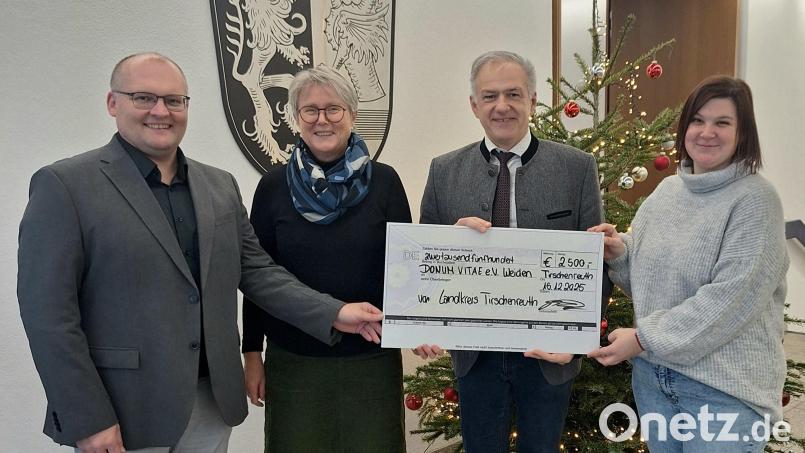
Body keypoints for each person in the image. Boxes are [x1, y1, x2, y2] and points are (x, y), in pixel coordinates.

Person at [17, 52, 384, 453]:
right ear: (112, 103)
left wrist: (335, 312)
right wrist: (88, 417)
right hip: (125, 413)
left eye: (174, 100)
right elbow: (48, 316)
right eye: (144, 98)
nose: (161, 111)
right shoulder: (65, 186)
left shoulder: (219, 186)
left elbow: (258, 272)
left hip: (211, 405)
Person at [415, 50, 607, 453]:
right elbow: (424, 262)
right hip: (475, 354)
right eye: (490, 96)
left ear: (532, 101)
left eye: (513, 94)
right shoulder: (444, 171)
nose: (501, 106)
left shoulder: (576, 168)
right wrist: (451, 243)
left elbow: (597, 264)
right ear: (474, 106)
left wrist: (576, 343)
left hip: (549, 353)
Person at [588, 76, 789, 452]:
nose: (706, 132)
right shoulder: (667, 191)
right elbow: (649, 279)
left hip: (723, 391)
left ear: (743, 132)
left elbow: (729, 302)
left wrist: (643, 339)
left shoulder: (756, 200)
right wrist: (621, 254)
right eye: (698, 120)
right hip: (655, 381)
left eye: (722, 122)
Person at [241, 65, 411, 453]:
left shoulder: (385, 182)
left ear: (352, 115)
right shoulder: (272, 187)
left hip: (371, 361)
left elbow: (404, 270)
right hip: (294, 362)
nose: (322, 119)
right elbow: (256, 276)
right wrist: (251, 352)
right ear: (295, 118)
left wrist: (419, 326)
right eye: (310, 110)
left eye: (333, 109)